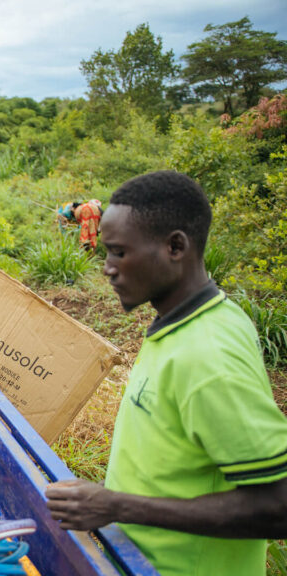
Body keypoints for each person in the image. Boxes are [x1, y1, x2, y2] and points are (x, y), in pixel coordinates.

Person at [45, 171, 287, 575]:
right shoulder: (186, 323)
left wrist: (116, 505)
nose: (107, 268)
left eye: (120, 253)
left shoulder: (208, 355)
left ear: (176, 246)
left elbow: (278, 505)